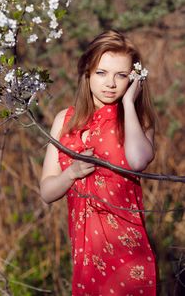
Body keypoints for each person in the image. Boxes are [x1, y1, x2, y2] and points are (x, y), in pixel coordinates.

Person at [40, 30, 158, 295]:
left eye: (121, 75)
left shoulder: (137, 120)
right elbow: (47, 192)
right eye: (102, 73)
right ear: (88, 73)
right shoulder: (64, 120)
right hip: (85, 255)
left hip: (128, 254)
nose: (111, 84)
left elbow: (139, 161)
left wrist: (129, 103)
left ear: (134, 78)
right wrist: (72, 173)